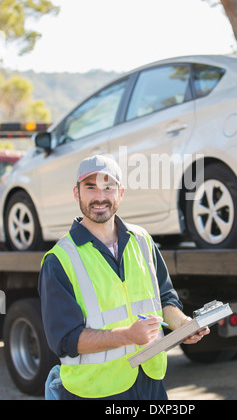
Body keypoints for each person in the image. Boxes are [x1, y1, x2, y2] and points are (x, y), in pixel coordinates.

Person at [38, 155, 210, 400]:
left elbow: (164, 298)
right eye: (90, 187)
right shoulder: (59, 260)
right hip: (95, 391)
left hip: (150, 382)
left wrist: (182, 325)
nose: (100, 196)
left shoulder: (142, 240)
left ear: (121, 193)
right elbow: (65, 340)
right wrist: (128, 336)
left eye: (109, 187)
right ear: (77, 194)